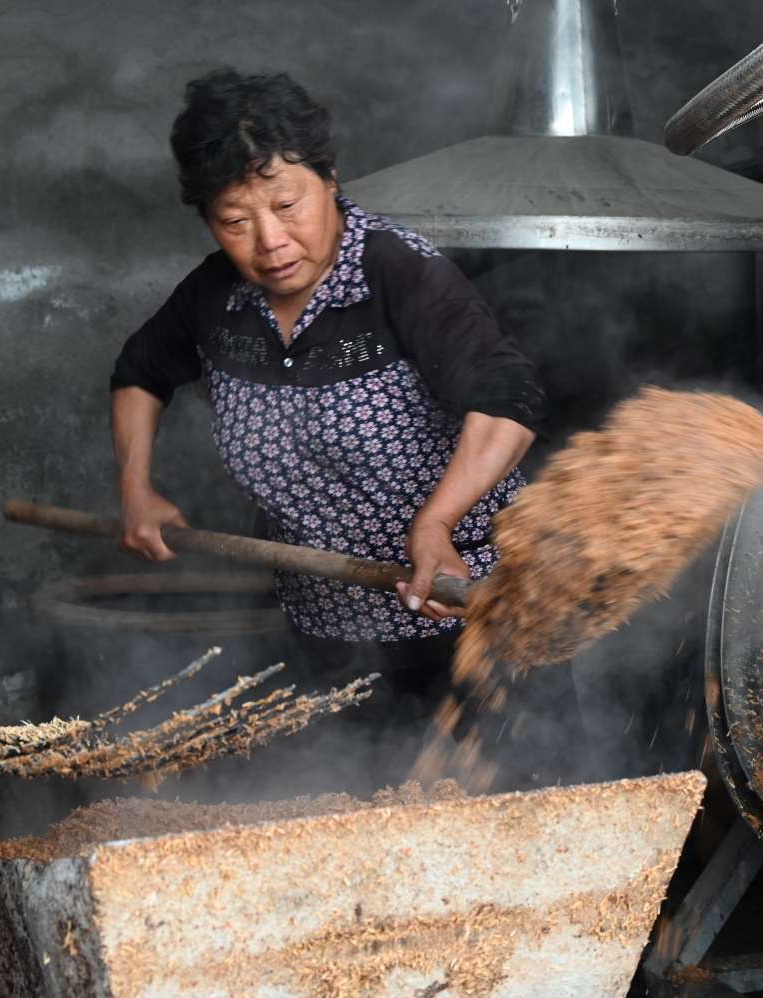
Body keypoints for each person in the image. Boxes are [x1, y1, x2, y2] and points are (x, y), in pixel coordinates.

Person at [108, 68, 577, 791]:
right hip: (329, 646)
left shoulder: (399, 275)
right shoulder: (214, 301)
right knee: (353, 840)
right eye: (235, 221)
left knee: (505, 843)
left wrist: (437, 521)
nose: (269, 241)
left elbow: (508, 398)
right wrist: (137, 488)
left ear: (329, 176)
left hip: (476, 629)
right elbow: (140, 369)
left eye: (287, 204)